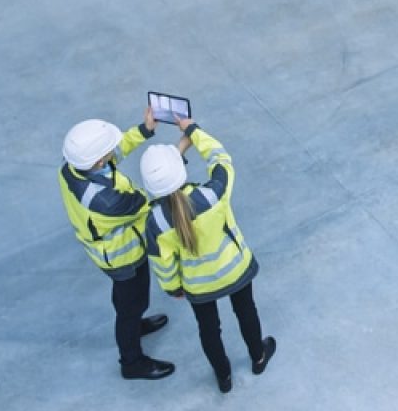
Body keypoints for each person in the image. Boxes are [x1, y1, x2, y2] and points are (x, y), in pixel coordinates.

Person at [140, 120, 276, 394]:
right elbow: (220, 157)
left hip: (198, 285)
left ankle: (224, 377)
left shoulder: (155, 222)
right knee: (246, 311)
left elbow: (162, 264)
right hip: (235, 269)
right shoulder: (213, 194)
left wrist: (173, 288)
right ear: (180, 170)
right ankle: (258, 357)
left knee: (208, 329)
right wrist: (192, 131)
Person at [59, 106, 191, 380]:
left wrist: (144, 131)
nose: (113, 153)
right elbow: (152, 202)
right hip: (124, 257)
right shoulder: (106, 201)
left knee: (127, 301)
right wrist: (174, 162)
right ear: (97, 161)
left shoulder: (74, 168)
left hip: (109, 251)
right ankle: (131, 362)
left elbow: (113, 157)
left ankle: (133, 323)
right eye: (107, 151)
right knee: (131, 302)